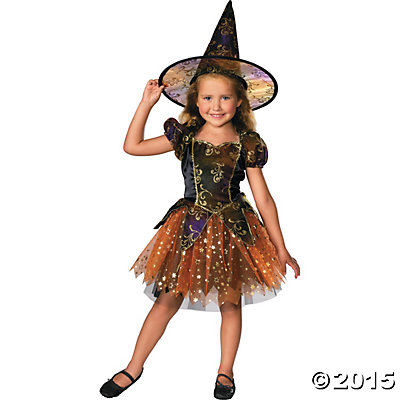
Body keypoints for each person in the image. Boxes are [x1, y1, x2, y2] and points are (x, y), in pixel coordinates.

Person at [100, 2, 300, 399]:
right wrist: (146, 104)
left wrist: (281, 248)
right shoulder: (186, 136)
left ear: (240, 101)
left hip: (235, 230)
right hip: (189, 227)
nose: (216, 106)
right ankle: (133, 367)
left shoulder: (247, 142)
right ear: (195, 101)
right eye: (208, 97)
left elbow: (263, 198)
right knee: (167, 298)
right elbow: (132, 146)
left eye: (225, 98)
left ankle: (225, 372)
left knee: (231, 303)